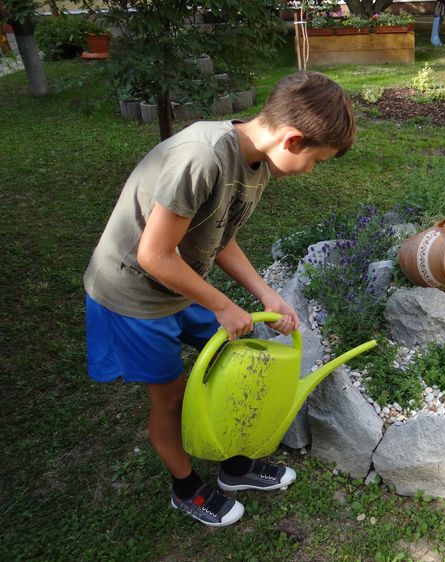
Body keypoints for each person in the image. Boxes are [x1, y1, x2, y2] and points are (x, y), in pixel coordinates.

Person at [83, 70, 356, 527]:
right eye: (317, 160)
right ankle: (185, 489)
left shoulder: (257, 161)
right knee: (168, 397)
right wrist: (221, 305)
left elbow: (219, 236)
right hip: (135, 294)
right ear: (291, 140)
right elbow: (153, 254)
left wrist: (264, 294)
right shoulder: (202, 158)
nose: (312, 170)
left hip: (180, 281)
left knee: (233, 362)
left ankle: (233, 469)